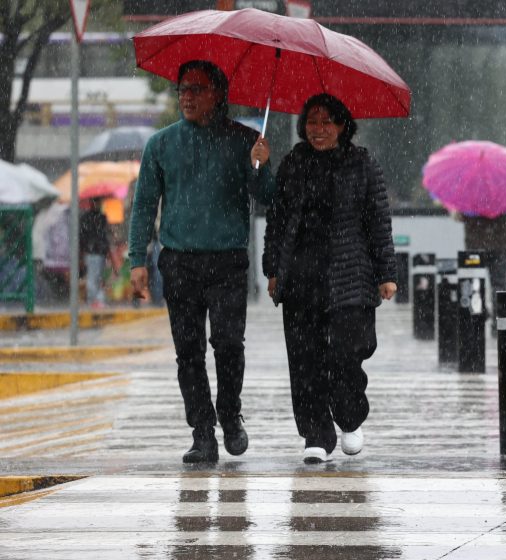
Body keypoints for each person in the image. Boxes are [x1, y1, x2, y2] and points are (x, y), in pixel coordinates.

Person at [128, 60, 276, 464]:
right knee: (188, 352)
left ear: (218, 94)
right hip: (179, 263)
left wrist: (262, 165)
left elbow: (268, 198)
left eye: (196, 89)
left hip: (228, 262)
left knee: (228, 345)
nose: (187, 97)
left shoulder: (244, 140)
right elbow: (144, 205)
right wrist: (136, 258)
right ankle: (202, 432)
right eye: (182, 89)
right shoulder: (161, 145)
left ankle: (230, 414)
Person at [263, 93, 397, 464]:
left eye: (326, 122)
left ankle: (350, 417)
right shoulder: (292, 163)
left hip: (350, 276)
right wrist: (272, 268)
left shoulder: (362, 163)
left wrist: (387, 273)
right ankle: (315, 434)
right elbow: (276, 220)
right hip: (302, 277)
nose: (318, 130)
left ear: (342, 126)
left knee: (346, 355)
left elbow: (378, 222)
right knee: (304, 359)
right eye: (311, 121)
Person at [79, 198, 109, 308]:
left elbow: (104, 237)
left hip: (98, 252)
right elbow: (82, 237)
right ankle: (93, 300)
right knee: (93, 278)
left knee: (97, 278)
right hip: (92, 252)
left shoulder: (101, 217)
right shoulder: (88, 218)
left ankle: (96, 300)